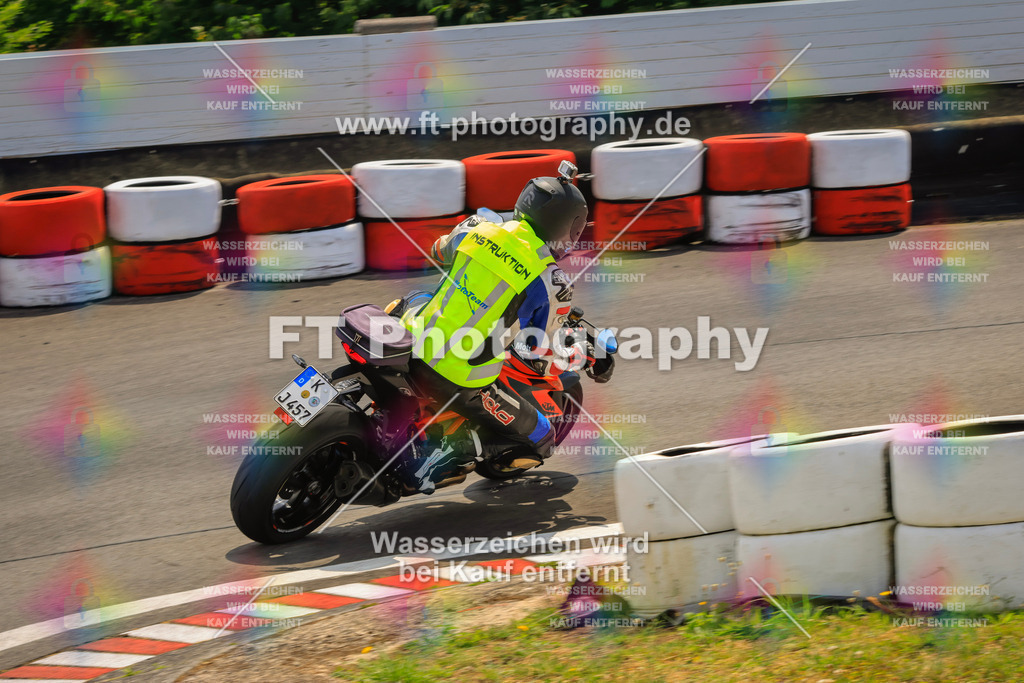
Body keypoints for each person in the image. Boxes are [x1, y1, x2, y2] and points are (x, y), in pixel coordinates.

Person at [395, 162, 612, 492]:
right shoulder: (552, 281)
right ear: (567, 227)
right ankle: (437, 455)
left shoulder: (476, 226)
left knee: (421, 297)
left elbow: (438, 249)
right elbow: (540, 345)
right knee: (543, 438)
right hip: (457, 373)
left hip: (408, 337)